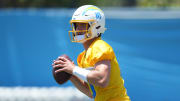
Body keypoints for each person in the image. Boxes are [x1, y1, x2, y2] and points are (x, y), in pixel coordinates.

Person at [52, 5, 130, 101]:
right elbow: (91, 92)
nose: (77, 29)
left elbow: (102, 80)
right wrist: (70, 74)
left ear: (97, 26)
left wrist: (73, 69)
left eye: (82, 25)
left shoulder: (99, 47)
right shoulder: (83, 56)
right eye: (76, 25)